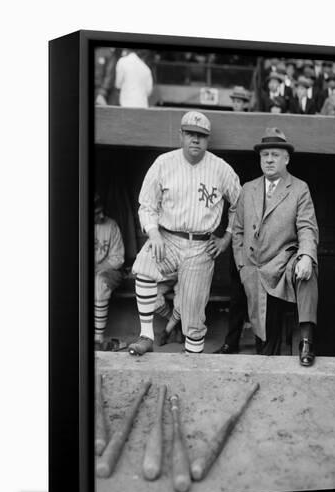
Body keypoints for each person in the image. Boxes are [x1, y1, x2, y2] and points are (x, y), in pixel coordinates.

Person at [128, 111, 241, 355]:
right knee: (144, 266)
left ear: (207, 139)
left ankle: (192, 362)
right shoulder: (163, 163)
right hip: (167, 238)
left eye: (201, 135)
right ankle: (146, 334)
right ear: (181, 135)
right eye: (190, 133)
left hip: (201, 246)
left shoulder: (221, 169)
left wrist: (226, 238)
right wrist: (153, 233)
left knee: (192, 316)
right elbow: (147, 205)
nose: (195, 140)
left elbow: (238, 205)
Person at [232, 128, 319, 366]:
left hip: (283, 265)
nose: (269, 160)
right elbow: (238, 230)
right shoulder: (249, 188)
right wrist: (242, 265)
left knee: (309, 271)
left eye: (275, 155)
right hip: (254, 270)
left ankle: (306, 341)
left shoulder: (299, 188)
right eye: (265, 155)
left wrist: (306, 256)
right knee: (265, 346)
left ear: (286, 159)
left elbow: (307, 228)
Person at [94, 194, 125, 350]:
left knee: (99, 283)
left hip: (107, 271)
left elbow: (118, 258)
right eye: (96, 213)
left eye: (102, 211)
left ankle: (98, 340)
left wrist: (98, 268)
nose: (102, 215)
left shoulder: (111, 225)